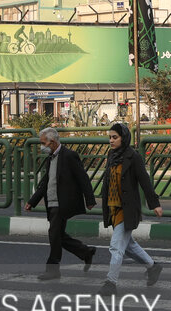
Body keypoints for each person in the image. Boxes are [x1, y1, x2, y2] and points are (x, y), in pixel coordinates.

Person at [98, 122, 163, 296]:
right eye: (110, 137)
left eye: (115, 137)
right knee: (128, 246)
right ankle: (153, 267)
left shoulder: (132, 156)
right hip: (113, 208)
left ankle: (111, 283)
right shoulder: (112, 155)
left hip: (127, 209)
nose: (111, 141)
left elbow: (144, 180)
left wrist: (154, 204)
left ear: (124, 138)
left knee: (116, 247)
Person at [25, 127, 98, 280]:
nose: (42, 146)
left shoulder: (69, 156)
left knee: (54, 235)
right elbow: (45, 183)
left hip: (62, 203)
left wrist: (89, 199)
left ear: (52, 142)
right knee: (58, 236)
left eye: (43, 143)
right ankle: (85, 252)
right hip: (51, 203)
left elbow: (82, 178)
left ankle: (53, 270)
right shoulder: (50, 158)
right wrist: (32, 201)